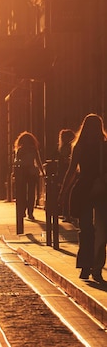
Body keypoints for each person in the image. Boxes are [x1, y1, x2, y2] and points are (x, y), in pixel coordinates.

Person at [59, 114, 107, 282]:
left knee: (86, 229)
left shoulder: (79, 146)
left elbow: (72, 170)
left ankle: (86, 266)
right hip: (102, 190)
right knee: (101, 231)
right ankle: (97, 268)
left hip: (84, 189)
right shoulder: (104, 145)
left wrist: (64, 192)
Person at [13, 131, 45, 230]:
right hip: (30, 172)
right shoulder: (30, 150)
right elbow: (38, 161)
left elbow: (16, 162)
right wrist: (42, 171)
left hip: (25, 173)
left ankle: (25, 211)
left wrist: (15, 172)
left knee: (25, 193)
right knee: (29, 193)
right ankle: (28, 212)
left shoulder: (22, 150)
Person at [56, 129, 76, 223]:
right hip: (71, 172)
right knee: (69, 193)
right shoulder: (71, 146)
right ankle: (68, 214)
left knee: (67, 193)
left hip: (67, 172)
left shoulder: (65, 147)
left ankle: (67, 214)